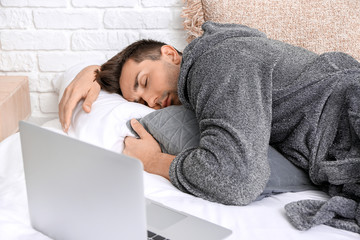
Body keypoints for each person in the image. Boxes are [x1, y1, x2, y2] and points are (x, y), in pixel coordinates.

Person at [59, 21, 360, 206]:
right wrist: (94, 72)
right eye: (141, 101)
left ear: (170, 53)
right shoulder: (218, 63)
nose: (152, 101)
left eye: (145, 82)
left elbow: (238, 179)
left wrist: (152, 161)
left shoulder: (216, 63)